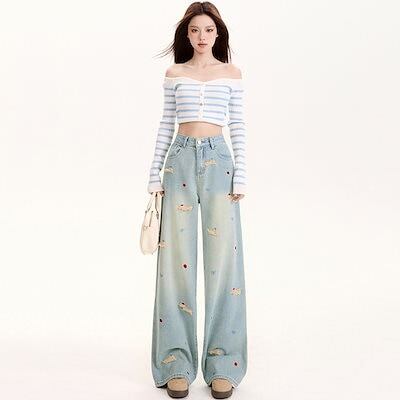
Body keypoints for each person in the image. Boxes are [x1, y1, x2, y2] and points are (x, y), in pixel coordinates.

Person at [146, 2, 247, 398]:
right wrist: (154, 173)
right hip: (180, 162)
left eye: (208, 30)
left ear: (217, 33)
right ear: (186, 35)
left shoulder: (232, 74)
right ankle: (175, 362)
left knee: (224, 263)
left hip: (220, 162)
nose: (201, 36)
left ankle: (224, 363)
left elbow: (237, 123)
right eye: (194, 30)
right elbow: (164, 124)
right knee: (174, 264)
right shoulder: (175, 74)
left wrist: (242, 172)